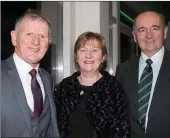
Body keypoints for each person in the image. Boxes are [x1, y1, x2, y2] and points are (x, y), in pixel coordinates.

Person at [54, 31, 131, 138]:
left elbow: (123, 129)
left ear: (103, 57)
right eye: (83, 50)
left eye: (95, 50)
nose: (88, 55)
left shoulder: (114, 88)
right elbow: (54, 126)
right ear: (76, 57)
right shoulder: (64, 87)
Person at [1, 9, 60, 137]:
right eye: (29, 34)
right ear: (14, 38)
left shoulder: (47, 79)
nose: (36, 42)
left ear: (48, 43)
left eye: (42, 36)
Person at [115, 11, 170, 138]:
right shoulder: (123, 70)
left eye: (154, 28)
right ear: (134, 36)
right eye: (142, 30)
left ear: (165, 32)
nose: (149, 35)